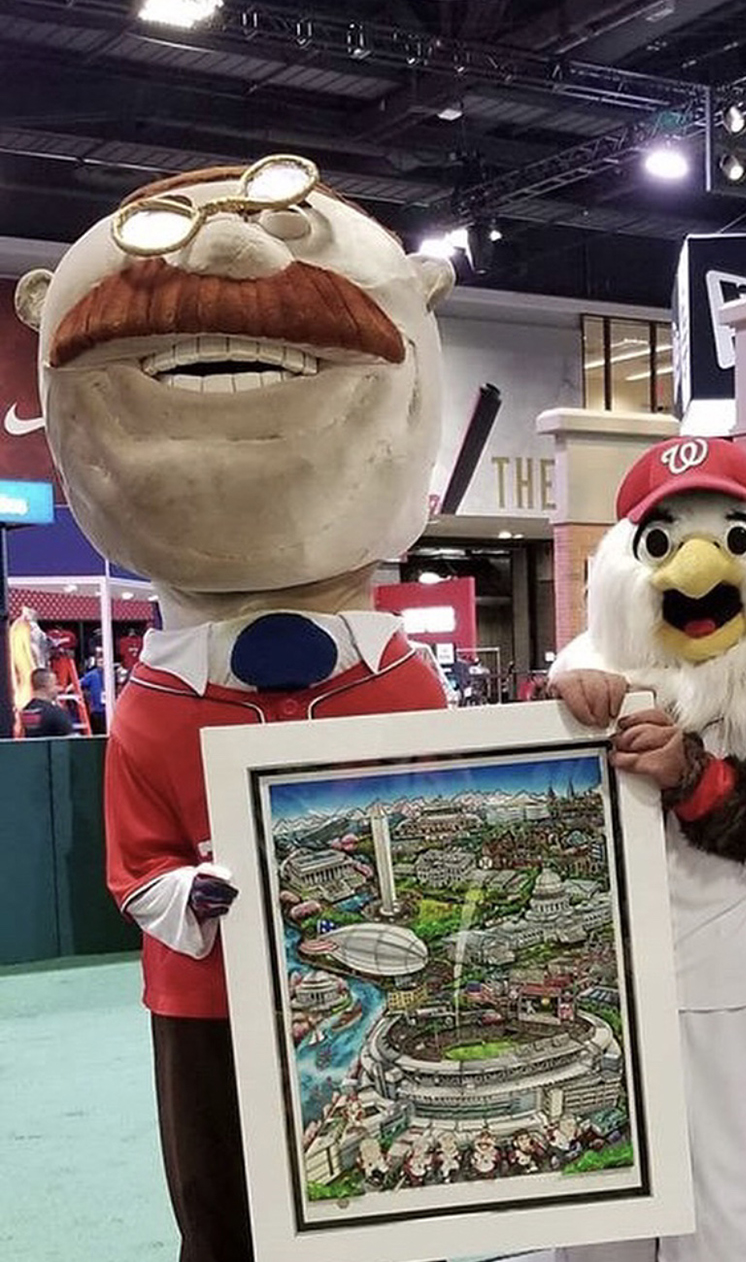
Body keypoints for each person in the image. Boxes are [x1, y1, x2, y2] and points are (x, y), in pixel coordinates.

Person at [17, 152, 454, 1262]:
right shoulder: (156, 700)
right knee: (218, 1202)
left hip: (374, 988)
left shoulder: (400, 681)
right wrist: (195, 887)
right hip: (205, 999)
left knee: (384, 1190)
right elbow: (134, 866)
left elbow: (453, 827)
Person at [550, 436, 746, 1262]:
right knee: (595, 1206)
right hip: (590, 985)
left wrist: (694, 775)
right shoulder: (587, 664)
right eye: (662, 545)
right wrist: (558, 712)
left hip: (718, 976)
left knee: (726, 1207)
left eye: (732, 540)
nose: (696, 569)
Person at [20, 666, 75, 736]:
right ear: (46, 686)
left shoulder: (26, 711)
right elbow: (70, 740)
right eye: (55, 684)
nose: (59, 689)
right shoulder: (55, 713)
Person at [79, 658, 107, 734]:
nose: (102, 664)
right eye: (100, 662)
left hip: (109, 709)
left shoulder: (112, 674)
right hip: (97, 710)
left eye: (103, 662)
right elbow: (79, 683)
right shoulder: (92, 675)